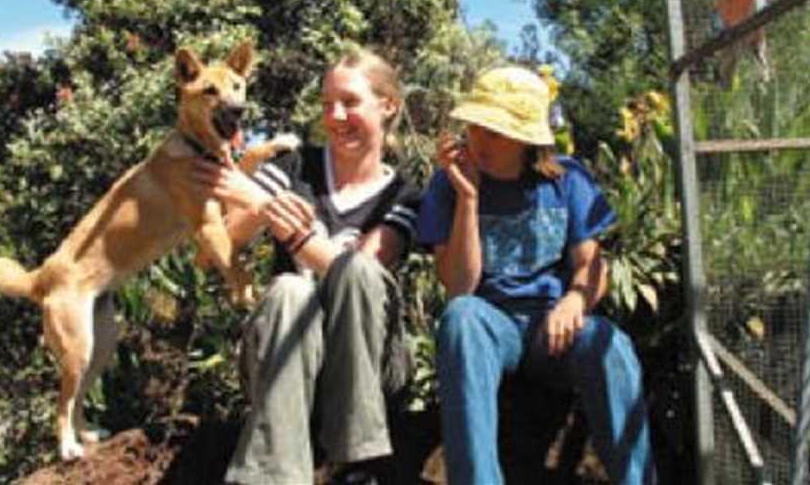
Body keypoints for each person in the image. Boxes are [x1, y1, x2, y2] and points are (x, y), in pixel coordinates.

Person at [417, 66, 656, 485]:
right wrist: (468, 199)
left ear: (526, 138)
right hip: (490, 326)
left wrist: (576, 299)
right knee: (461, 318)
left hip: (553, 326)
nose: (479, 140)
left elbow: (590, 266)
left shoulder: (567, 180)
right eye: (475, 127)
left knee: (612, 345)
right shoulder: (447, 186)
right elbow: (459, 288)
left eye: (495, 131)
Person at [192, 45, 419, 484]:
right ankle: (271, 476)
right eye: (327, 104)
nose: (335, 116)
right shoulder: (293, 167)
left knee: (354, 271)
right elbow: (209, 254)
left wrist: (295, 234)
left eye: (350, 102)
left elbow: (362, 272)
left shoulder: (405, 195)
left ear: (388, 105)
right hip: (285, 360)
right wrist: (261, 204)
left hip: (369, 373)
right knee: (290, 289)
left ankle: (357, 462)